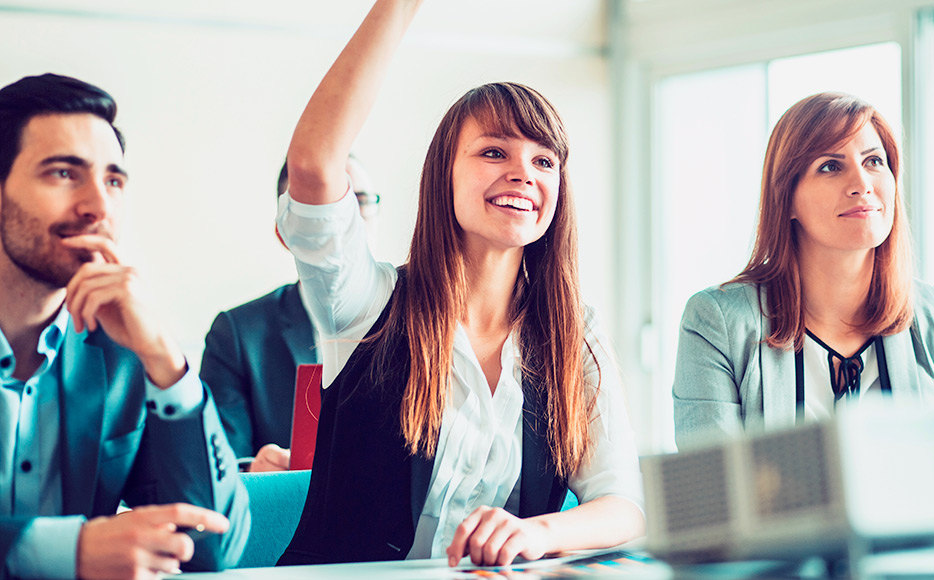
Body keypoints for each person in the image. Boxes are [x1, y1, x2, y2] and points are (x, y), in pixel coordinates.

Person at [274, 0, 644, 568]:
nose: (523, 172)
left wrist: (537, 534)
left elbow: (622, 505)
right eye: (494, 152)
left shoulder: (575, 331)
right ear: (443, 174)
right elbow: (315, 165)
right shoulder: (365, 304)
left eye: (544, 161)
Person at [0, 73, 249, 579]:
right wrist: (66, 549)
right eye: (63, 173)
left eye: (113, 180)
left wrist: (165, 361)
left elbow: (214, 547)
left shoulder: (121, 351)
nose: (99, 205)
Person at [672, 92, 934, 449]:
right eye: (831, 166)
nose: (862, 184)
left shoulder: (931, 313)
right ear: (786, 199)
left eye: (874, 161)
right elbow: (712, 489)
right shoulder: (717, 321)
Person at [200, 156, 378, 472]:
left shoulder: (421, 321)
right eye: (324, 208)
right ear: (286, 232)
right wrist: (253, 471)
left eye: (360, 203)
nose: (348, 223)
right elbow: (217, 470)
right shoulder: (238, 334)